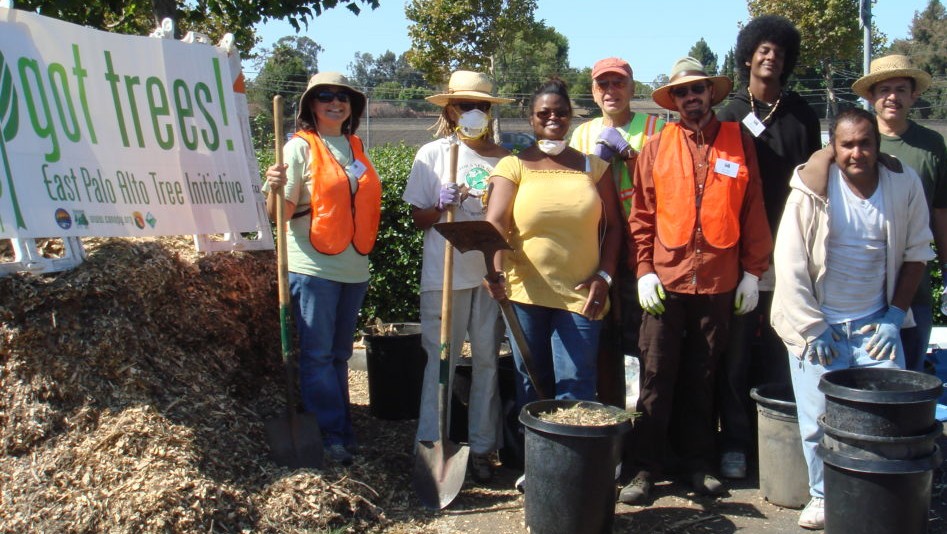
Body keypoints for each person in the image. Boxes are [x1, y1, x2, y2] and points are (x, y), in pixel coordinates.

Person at [771, 107, 934, 530]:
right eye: (847, 144)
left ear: (878, 146)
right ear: (833, 146)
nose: (856, 152)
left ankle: (878, 496)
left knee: (885, 421)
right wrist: (812, 327)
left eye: (865, 143)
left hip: (873, 327)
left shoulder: (902, 185)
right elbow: (789, 265)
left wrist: (894, 317)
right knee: (817, 421)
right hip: (818, 325)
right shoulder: (812, 191)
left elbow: (918, 253)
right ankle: (823, 497)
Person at [621, 57, 772, 504]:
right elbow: (641, 216)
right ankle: (644, 468)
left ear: (711, 93)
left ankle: (698, 464)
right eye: (683, 93)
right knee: (656, 372)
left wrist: (752, 272)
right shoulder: (656, 146)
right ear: (675, 100)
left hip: (719, 280)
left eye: (698, 90)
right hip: (666, 281)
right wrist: (644, 271)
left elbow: (754, 208)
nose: (691, 98)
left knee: (704, 375)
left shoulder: (737, 141)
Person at [714, 14, 822, 480]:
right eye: (763, 47)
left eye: (779, 49)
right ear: (748, 55)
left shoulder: (802, 115)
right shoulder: (729, 115)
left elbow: (818, 187)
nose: (770, 54)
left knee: (784, 349)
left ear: (786, 59)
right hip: (739, 251)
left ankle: (777, 444)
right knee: (736, 351)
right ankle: (735, 442)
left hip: (792, 251)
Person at [263, 72, 381, 466]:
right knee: (316, 356)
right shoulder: (298, 148)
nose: (336, 102)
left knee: (338, 355)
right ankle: (329, 435)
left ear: (353, 106)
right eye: (325, 96)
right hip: (312, 268)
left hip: (354, 269)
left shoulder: (356, 145)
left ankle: (341, 430)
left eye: (343, 96)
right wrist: (275, 187)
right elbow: (277, 215)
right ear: (311, 106)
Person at [484, 77, 623, 405]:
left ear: (570, 117)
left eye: (560, 113)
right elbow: (495, 224)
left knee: (576, 392)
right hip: (525, 296)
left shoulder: (593, 167)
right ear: (531, 118)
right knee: (533, 389)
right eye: (544, 113)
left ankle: (575, 458)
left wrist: (604, 277)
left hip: (581, 298)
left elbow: (615, 227)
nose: (552, 119)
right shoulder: (513, 166)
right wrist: (495, 274)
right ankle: (532, 457)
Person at [403, 70, 512, 483]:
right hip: (443, 275)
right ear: (450, 110)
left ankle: (484, 449)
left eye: (481, 106)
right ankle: (432, 442)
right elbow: (418, 218)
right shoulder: (432, 155)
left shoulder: (503, 159)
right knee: (441, 361)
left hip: (487, 275)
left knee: (486, 361)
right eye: (466, 106)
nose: (473, 112)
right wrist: (438, 203)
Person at [569, 57, 665, 407]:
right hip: (599, 240)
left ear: (632, 88)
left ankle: (643, 411)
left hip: (646, 243)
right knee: (602, 329)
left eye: (618, 83)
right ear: (594, 92)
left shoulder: (655, 127)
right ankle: (609, 408)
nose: (611, 91)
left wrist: (629, 155)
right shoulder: (582, 133)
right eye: (603, 85)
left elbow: (670, 181)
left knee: (643, 330)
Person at [852, 54, 947, 373]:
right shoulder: (856, 142)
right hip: (862, 286)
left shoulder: (931, 146)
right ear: (871, 96)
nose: (892, 97)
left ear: (913, 95)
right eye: (885, 89)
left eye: (901, 89)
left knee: (909, 378)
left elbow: (941, 212)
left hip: (914, 284)